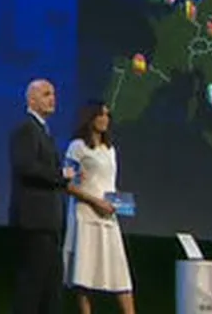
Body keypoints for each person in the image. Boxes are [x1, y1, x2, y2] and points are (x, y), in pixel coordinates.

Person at [8, 78, 78, 314]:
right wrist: (61, 174)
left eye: (53, 94)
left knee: (51, 291)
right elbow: (26, 166)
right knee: (32, 288)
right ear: (31, 99)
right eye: (46, 94)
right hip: (34, 222)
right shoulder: (26, 129)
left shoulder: (43, 132)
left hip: (49, 224)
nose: (52, 99)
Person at [63, 100, 136, 314]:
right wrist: (95, 201)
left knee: (120, 273)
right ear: (90, 117)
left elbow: (108, 182)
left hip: (108, 217)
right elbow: (68, 185)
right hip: (86, 216)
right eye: (100, 114)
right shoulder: (77, 147)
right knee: (84, 274)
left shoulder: (109, 149)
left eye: (107, 115)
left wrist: (117, 202)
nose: (105, 119)